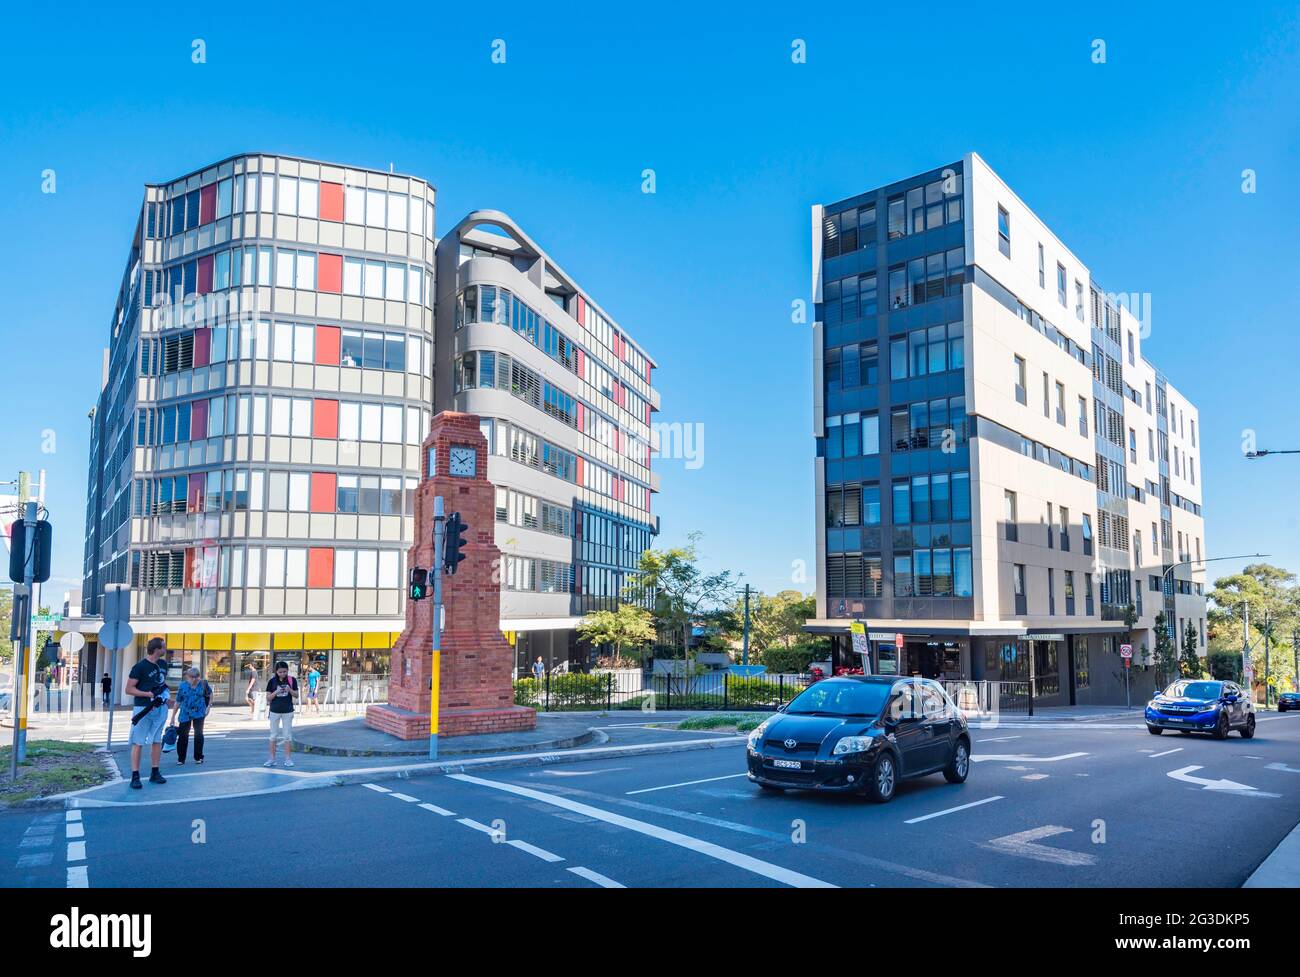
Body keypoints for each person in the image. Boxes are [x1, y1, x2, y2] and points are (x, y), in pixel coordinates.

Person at [124, 637, 171, 789]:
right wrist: (149, 694)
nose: (165, 650)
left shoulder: (162, 664)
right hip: (143, 708)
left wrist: (165, 694)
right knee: (138, 742)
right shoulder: (140, 667)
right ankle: (135, 776)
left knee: (157, 740)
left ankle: (155, 772)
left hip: (160, 708)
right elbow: (129, 689)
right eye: (163, 647)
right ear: (157, 649)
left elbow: (162, 682)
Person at [173, 666, 212, 765]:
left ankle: (198, 757)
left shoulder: (203, 684)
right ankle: (181, 758)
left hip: (199, 712)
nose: (194, 679)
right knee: (183, 736)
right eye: (192, 677)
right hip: (185, 713)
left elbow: (210, 695)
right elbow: (178, 701)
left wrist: (208, 707)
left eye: (196, 677)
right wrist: (172, 717)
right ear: (187, 677)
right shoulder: (183, 686)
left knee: (198, 734)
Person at [264, 661, 298, 767]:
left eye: (284, 671)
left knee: (287, 736)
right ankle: (272, 759)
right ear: (276, 671)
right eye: (280, 672)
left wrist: (290, 690)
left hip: (288, 711)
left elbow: (296, 695)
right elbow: (268, 698)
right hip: (274, 711)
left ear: (287, 670)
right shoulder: (272, 682)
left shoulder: (292, 680)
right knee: (273, 736)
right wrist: (276, 692)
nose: (283, 674)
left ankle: (288, 759)